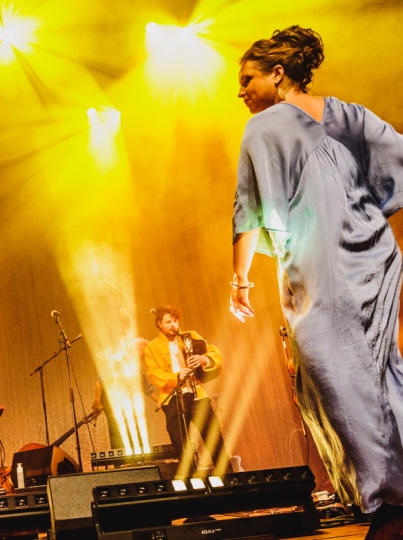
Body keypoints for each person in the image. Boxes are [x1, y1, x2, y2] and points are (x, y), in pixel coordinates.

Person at [230, 25, 403, 537]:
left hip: (320, 261)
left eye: (247, 80)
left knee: (338, 376)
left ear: (277, 73)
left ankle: (389, 500)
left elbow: (248, 208)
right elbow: (396, 160)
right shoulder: (348, 113)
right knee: (379, 370)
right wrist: (363, 209)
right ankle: (393, 494)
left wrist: (239, 279)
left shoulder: (262, 127)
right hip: (376, 252)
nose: (241, 92)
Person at [141, 306, 231, 477]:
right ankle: (192, 483)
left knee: (214, 440)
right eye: (168, 322)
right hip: (173, 398)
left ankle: (229, 479)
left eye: (175, 321)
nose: (173, 325)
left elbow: (213, 351)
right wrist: (176, 377)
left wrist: (204, 358)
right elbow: (153, 373)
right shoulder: (151, 347)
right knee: (182, 445)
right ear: (159, 324)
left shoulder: (190, 337)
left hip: (197, 394)